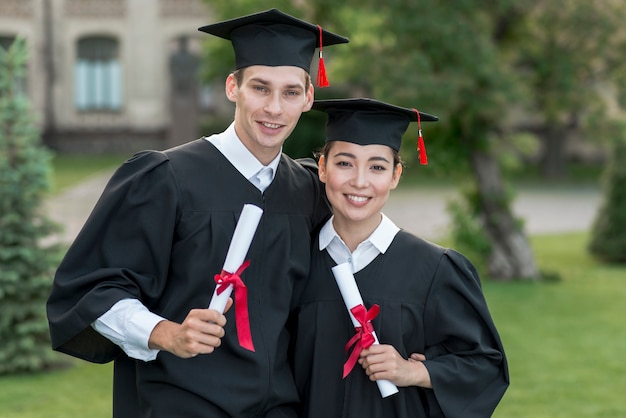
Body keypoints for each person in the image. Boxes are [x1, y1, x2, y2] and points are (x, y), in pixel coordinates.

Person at [46, 9, 348, 418]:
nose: (274, 108)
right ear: (232, 87)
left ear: (309, 98)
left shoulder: (309, 191)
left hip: (279, 406)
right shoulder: (165, 179)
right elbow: (92, 291)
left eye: (291, 92)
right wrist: (165, 333)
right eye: (260, 88)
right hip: (181, 400)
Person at [291, 98, 509, 417]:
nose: (360, 181)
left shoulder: (434, 269)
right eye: (344, 163)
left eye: (377, 167)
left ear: (395, 176)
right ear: (322, 168)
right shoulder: (297, 262)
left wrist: (412, 372)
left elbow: (484, 365)